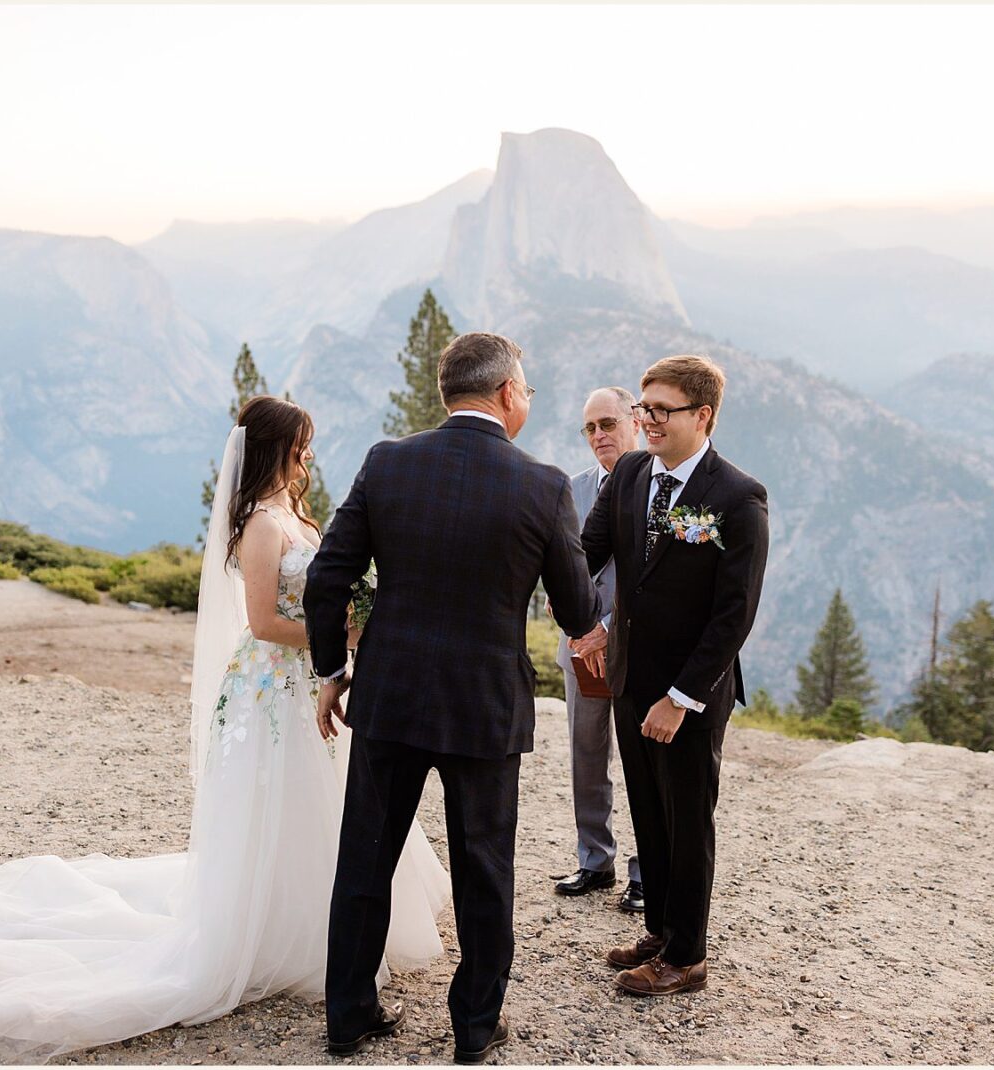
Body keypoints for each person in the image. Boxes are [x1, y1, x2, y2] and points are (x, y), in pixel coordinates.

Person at [0, 396, 448, 1060]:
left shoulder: (295, 514)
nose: (310, 455)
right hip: (271, 686)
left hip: (306, 683)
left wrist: (349, 622)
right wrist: (345, 632)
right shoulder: (262, 527)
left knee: (323, 807)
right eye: (303, 444)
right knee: (282, 804)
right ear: (277, 449)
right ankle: (276, 937)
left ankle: (326, 930)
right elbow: (264, 623)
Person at [304, 332, 600, 1063]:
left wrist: (331, 671)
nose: (527, 399)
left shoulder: (387, 462)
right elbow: (575, 608)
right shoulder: (544, 485)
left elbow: (325, 579)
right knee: (484, 868)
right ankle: (474, 1027)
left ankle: (348, 1017)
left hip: (392, 699)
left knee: (365, 860)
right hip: (484, 709)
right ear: (505, 394)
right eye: (526, 388)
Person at [576, 355, 769, 998]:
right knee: (649, 812)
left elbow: (733, 615)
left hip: (692, 689)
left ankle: (687, 955)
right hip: (631, 678)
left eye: (662, 409)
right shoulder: (630, 472)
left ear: (702, 414)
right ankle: (659, 929)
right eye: (644, 408)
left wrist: (681, 698)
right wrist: (582, 617)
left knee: (688, 817)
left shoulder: (738, 497)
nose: (647, 420)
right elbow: (587, 553)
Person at [554, 386, 645, 912]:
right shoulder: (572, 487)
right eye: (589, 428)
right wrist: (572, 618)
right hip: (579, 644)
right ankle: (595, 860)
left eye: (607, 423)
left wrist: (608, 625)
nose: (598, 436)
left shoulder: (653, 483)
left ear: (634, 420)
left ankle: (645, 871)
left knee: (640, 760)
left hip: (634, 646)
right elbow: (561, 562)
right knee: (586, 755)